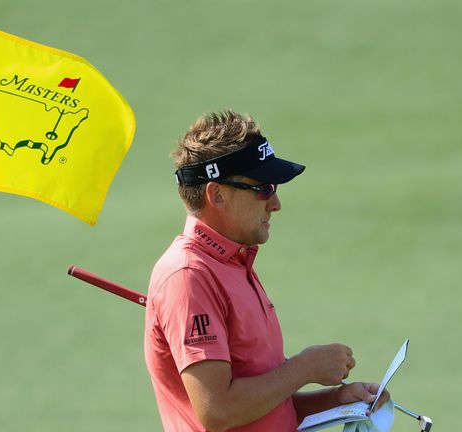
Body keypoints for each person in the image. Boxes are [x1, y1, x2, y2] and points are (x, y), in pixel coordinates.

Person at [143, 110, 389, 432]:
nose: (275, 203)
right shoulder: (189, 277)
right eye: (263, 188)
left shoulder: (232, 264)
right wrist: (305, 367)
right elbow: (218, 410)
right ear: (217, 195)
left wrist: (340, 400)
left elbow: (265, 407)